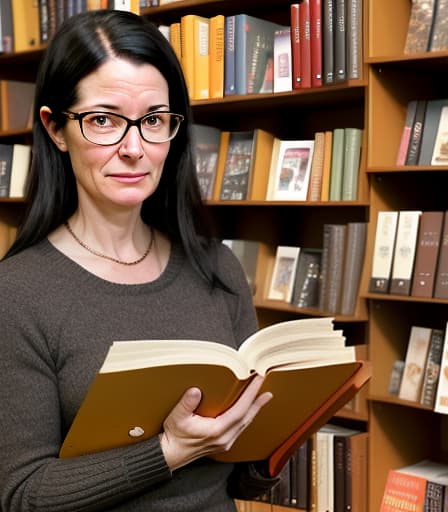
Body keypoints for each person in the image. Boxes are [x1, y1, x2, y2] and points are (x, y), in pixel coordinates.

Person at [0, 9, 279, 511]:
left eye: (153, 121)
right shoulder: (17, 293)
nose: (134, 148)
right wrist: (169, 451)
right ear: (56, 129)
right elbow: (22, 495)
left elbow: (238, 482)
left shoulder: (216, 267)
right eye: (103, 120)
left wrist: (274, 441)